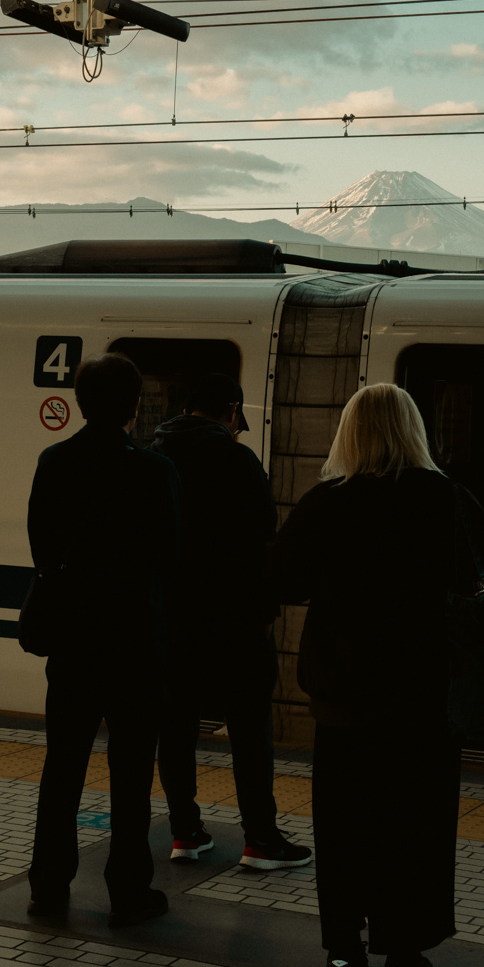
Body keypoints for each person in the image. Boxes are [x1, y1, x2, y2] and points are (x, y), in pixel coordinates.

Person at [269, 382, 484, 967]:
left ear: (349, 433)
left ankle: (344, 957)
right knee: (415, 828)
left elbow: (281, 579)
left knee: (343, 829)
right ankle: (403, 956)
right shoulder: (449, 499)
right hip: (426, 701)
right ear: (413, 430)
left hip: (344, 701)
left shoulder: (328, 502)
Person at [25, 352, 182, 927]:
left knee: (62, 766)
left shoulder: (54, 461)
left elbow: (41, 546)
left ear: (80, 403)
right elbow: (172, 555)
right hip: (135, 642)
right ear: (135, 406)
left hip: (73, 641)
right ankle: (127, 890)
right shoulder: (155, 470)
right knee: (132, 771)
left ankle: (48, 887)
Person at [152, 373, 312, 871]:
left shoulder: (154, 457)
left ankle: (185, 832)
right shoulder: (238, 461)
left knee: (175, 726)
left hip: (171, 622)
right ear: (233, 411)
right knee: (248, 730)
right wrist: (265, 614)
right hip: (235, 622)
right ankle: (260, 839)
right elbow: (264, 546)